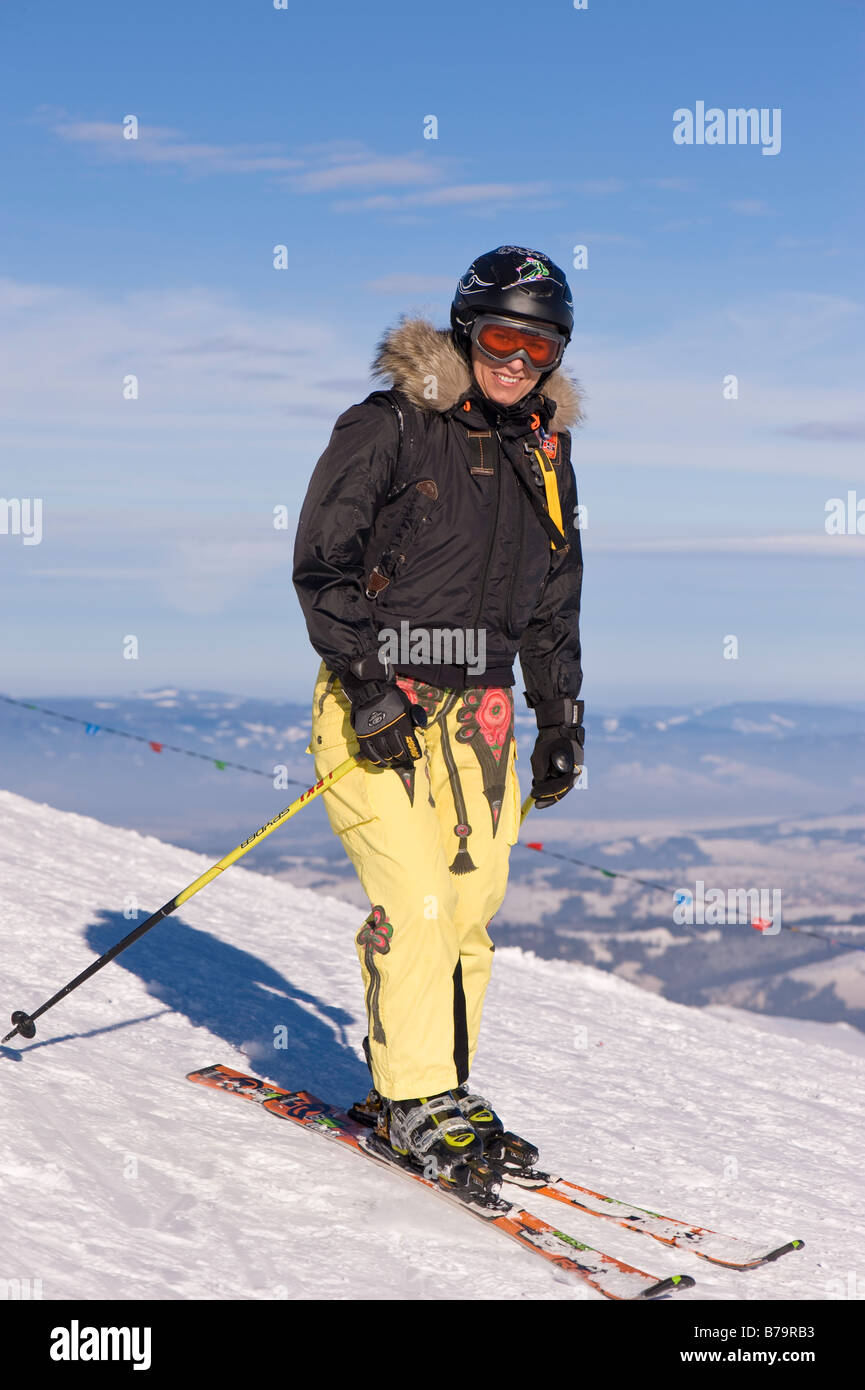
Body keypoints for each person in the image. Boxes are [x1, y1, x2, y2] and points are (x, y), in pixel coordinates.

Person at [293, 245, 584, 1185]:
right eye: (501, 336)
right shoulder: (388, 427)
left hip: (484, 717)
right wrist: (369, 689)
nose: (517, 360)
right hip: (381, 701)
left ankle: (439, 1085)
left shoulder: (543, 451)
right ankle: (408, 1096)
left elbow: (552, 602)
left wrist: (559, 718)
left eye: (539, 348)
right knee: (414, 902)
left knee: (465, 910)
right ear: (466, 329)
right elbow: (323, 566)